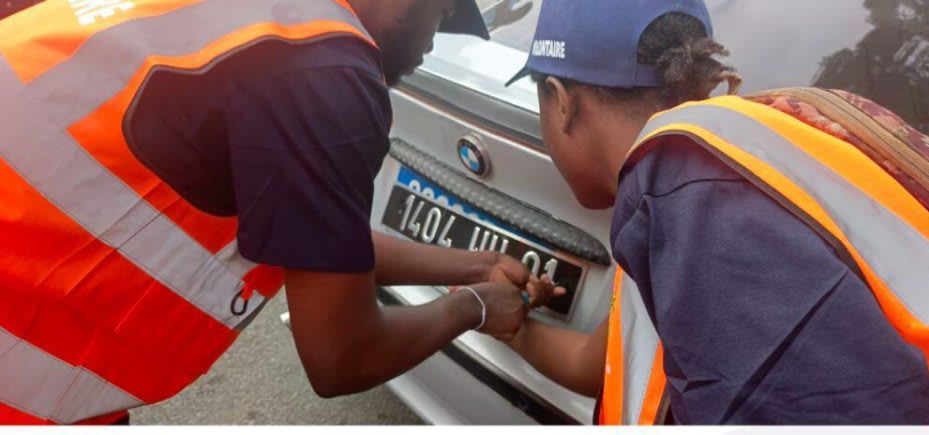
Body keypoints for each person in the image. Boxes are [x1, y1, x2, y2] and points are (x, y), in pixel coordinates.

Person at [0, 0, 561, 425]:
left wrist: (471, 265)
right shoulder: (323, 69)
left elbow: (312, 237)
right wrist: (475, 308)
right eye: (441, 14)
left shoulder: (265, 27)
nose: (433, 45)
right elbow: (342, 358)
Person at [503, 0, 929, 425]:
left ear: (561, 101)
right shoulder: (682, 182)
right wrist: (505, 323)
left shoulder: (691, 194)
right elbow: (601, 359)